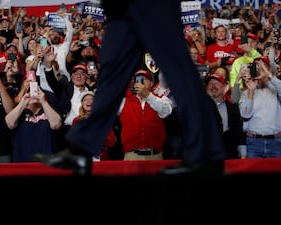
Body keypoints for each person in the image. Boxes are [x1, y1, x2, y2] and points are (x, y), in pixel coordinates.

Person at [36, 0, 226, 176]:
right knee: (111, 71)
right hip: (121, 8)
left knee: (177, 70)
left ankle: (206, 153)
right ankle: (83, 149)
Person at [5, 83, 62, 162]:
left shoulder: (48, 110)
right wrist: (23, 102)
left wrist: (44, 102)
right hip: (23, 162)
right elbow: (9, 123)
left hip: (46, 162)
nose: (34, 95)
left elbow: (56, 124)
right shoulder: (21, 112)